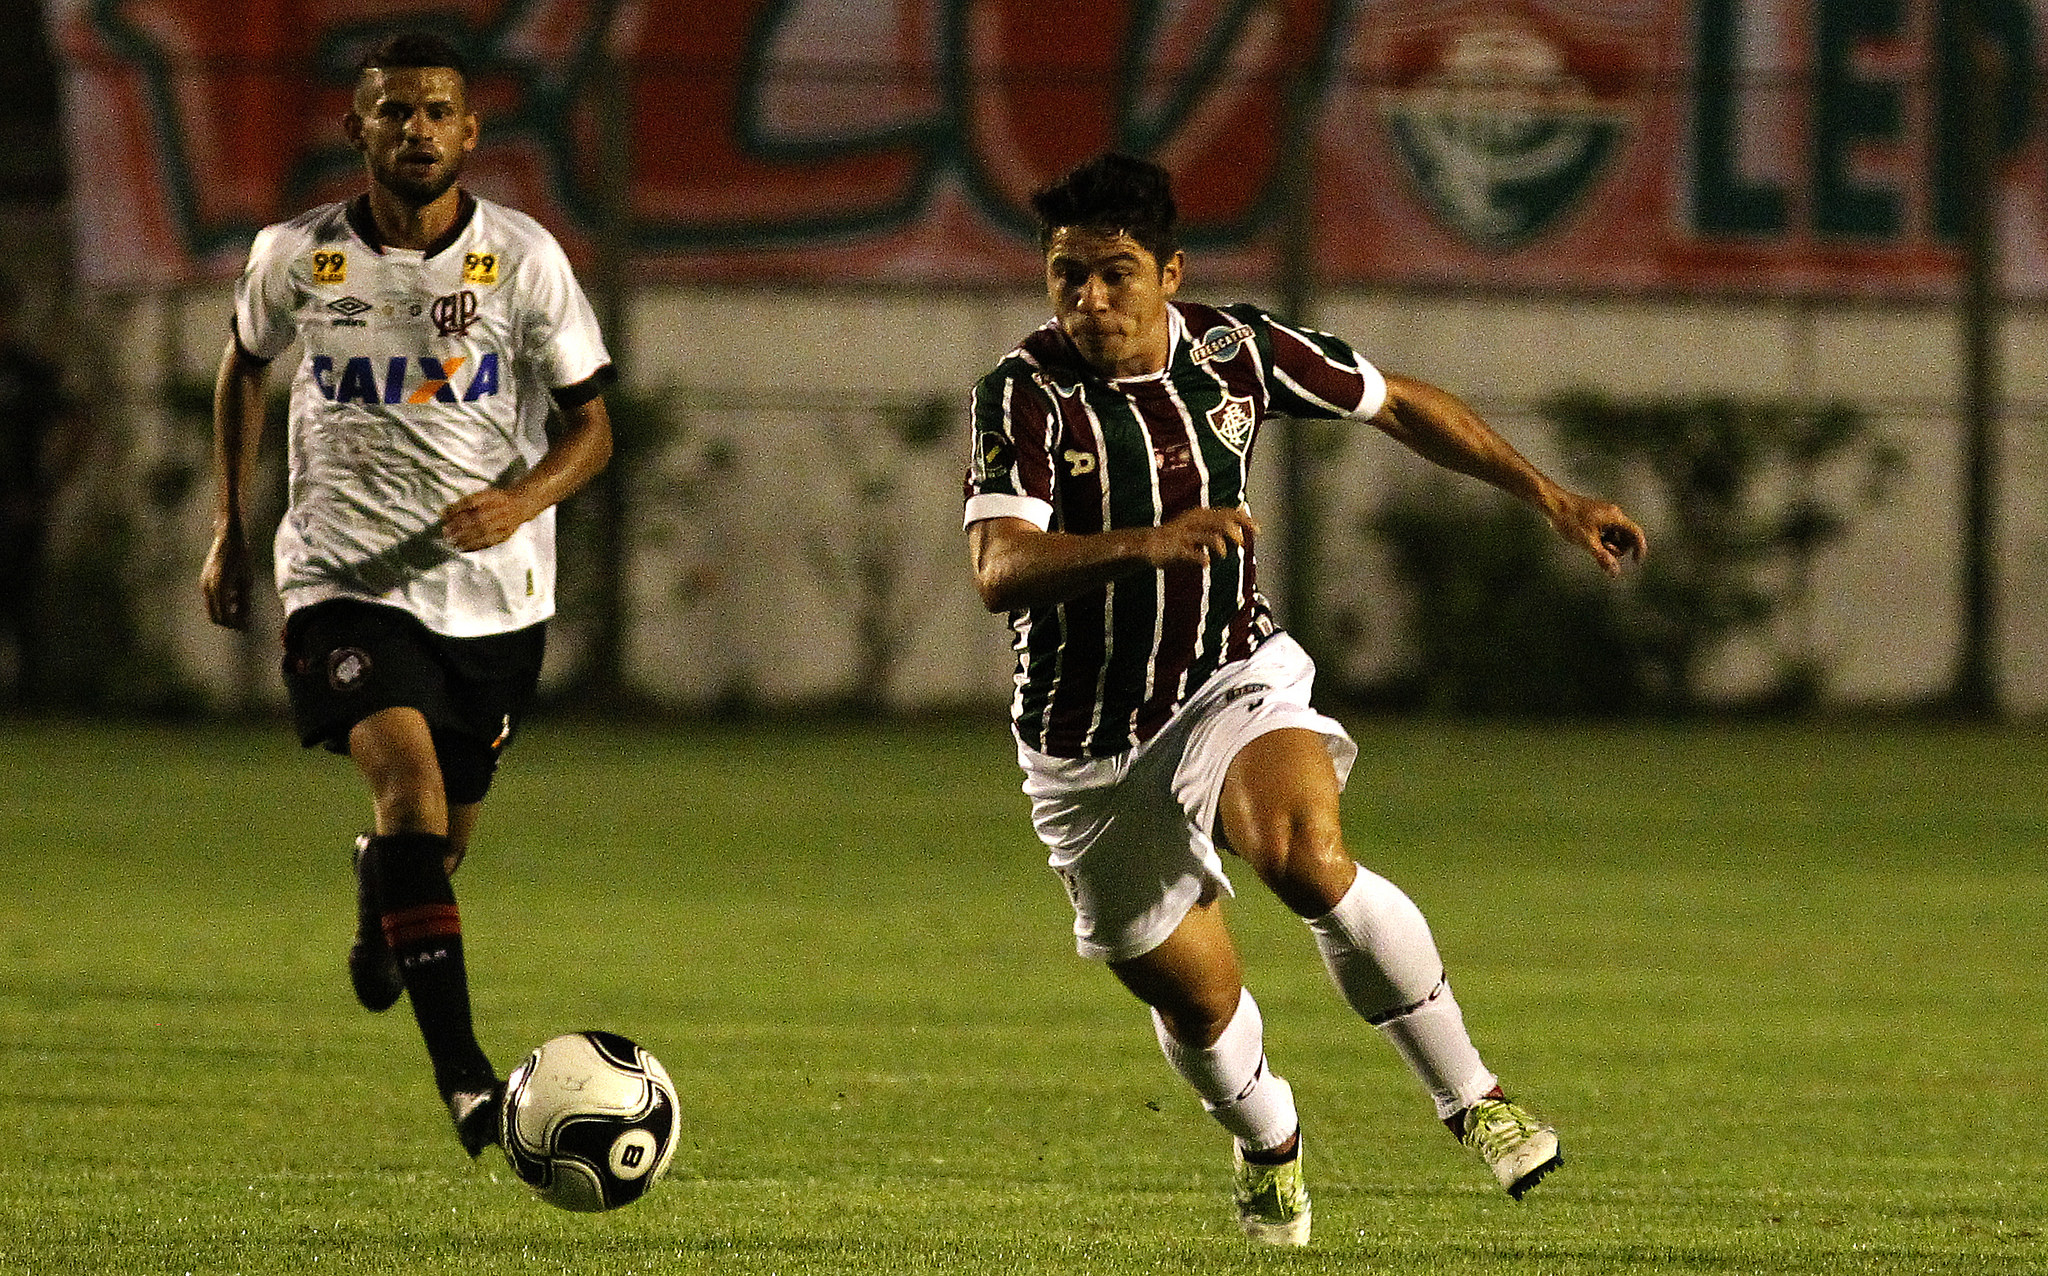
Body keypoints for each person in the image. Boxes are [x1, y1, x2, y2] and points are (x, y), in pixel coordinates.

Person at [962, 152, 1646, 1247]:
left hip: (1227, 676)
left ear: (1170, 274)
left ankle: (1475, 1098)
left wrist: (1549, 496)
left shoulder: (1233, 353)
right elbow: (999, 568)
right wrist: (1148, 543)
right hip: (1083, 746)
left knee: (1303, 854)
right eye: (1066, 276)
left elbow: (1395, 402)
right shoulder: (1024, 391)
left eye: (1114, 273)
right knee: (1195, 1001)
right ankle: (1269, 1143)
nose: (1088, 300)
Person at [200, 32, 614, 1157]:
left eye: (437, 112)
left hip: (495, 597)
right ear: (357, 129)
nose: (416, 130)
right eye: (394, 111)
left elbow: (592, 428)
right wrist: (230, 526)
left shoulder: (522, 259)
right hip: (341, 577)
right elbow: (244, 365)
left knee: (439, 842)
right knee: (410, 795)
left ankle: (381, 897)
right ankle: (468, 1078)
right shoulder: (296, 255)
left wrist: (521, 502)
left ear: (470, 131)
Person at [0, 274, 85, 707]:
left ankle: (29, 700)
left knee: (23, 604)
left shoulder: (27, 373)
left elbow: (75, 423)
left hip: (18, 509)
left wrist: (48, 487)